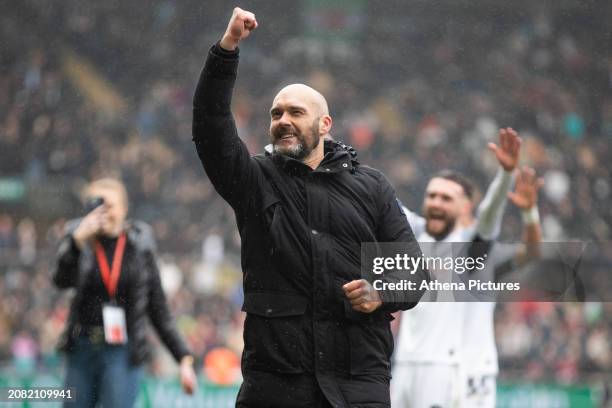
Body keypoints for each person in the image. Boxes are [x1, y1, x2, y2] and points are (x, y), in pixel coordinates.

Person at [192, 7, 428, 408]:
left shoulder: (371, 186)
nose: (283, 120)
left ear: (324, 124)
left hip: (358, 386)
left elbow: (414, 271)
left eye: (295, 112)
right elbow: (210, 128)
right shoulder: (255, 181)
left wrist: (381, 292)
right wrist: (226, 49)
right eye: (276, 113)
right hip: (275, 385)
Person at [391, 128, 521, 408]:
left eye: (446, 199)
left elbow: (489, 215)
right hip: (403, 364)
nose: (436, 203)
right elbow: (382, 199)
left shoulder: (471, 248)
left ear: (464, 207)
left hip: (443, 368)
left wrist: (505, 176)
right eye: (432, 196)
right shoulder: (415, 235)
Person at [52, 178, 197, 408]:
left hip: (123, 349)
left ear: (124, 209)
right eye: (96, 204)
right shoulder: (78, 237)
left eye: (109, 206)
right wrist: (77, 242)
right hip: (81, 346)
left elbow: (157, 306)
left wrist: (183, 358)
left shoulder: (139, 243)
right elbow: (61, 281)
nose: (103, 212)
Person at [460, 166, 543, 408]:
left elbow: (530, 252)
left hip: (474, 371)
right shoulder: (424, 246)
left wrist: (529, 214)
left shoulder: (486, 256)